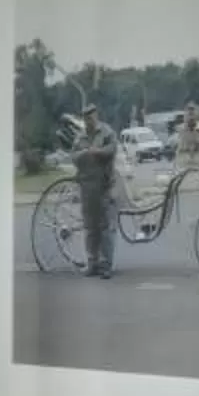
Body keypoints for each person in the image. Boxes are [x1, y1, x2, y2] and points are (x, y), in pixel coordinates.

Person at [72, 117, 119, 279]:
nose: (89, 122)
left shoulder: (106, 132)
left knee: (105, 227)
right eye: (86, 119)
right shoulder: (80, 136)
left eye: (91, 118)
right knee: (90, 227)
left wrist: (98, 151)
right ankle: (92, 263)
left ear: (96, 117)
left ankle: (106, 265)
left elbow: (113, 148)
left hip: (103, 185)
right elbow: (74, 156)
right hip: (86, 186)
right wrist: (85, 153)